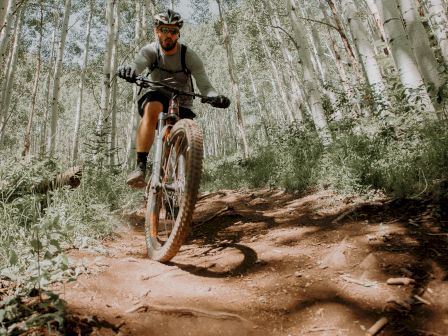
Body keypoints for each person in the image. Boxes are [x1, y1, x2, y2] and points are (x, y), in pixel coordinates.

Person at [117, 9, 230, 188]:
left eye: (173, 31)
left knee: (186, 141)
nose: (168, 35)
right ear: (156, 32)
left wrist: (215, 98)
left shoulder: (189, 55)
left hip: (182, 101)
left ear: (178, 34)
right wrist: (131, 71)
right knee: (152, 106)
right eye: (163, 30)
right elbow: (137, 65)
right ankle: (140, 166)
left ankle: (182, 188)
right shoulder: (150, 51)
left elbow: (206, 86)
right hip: (156, 94)